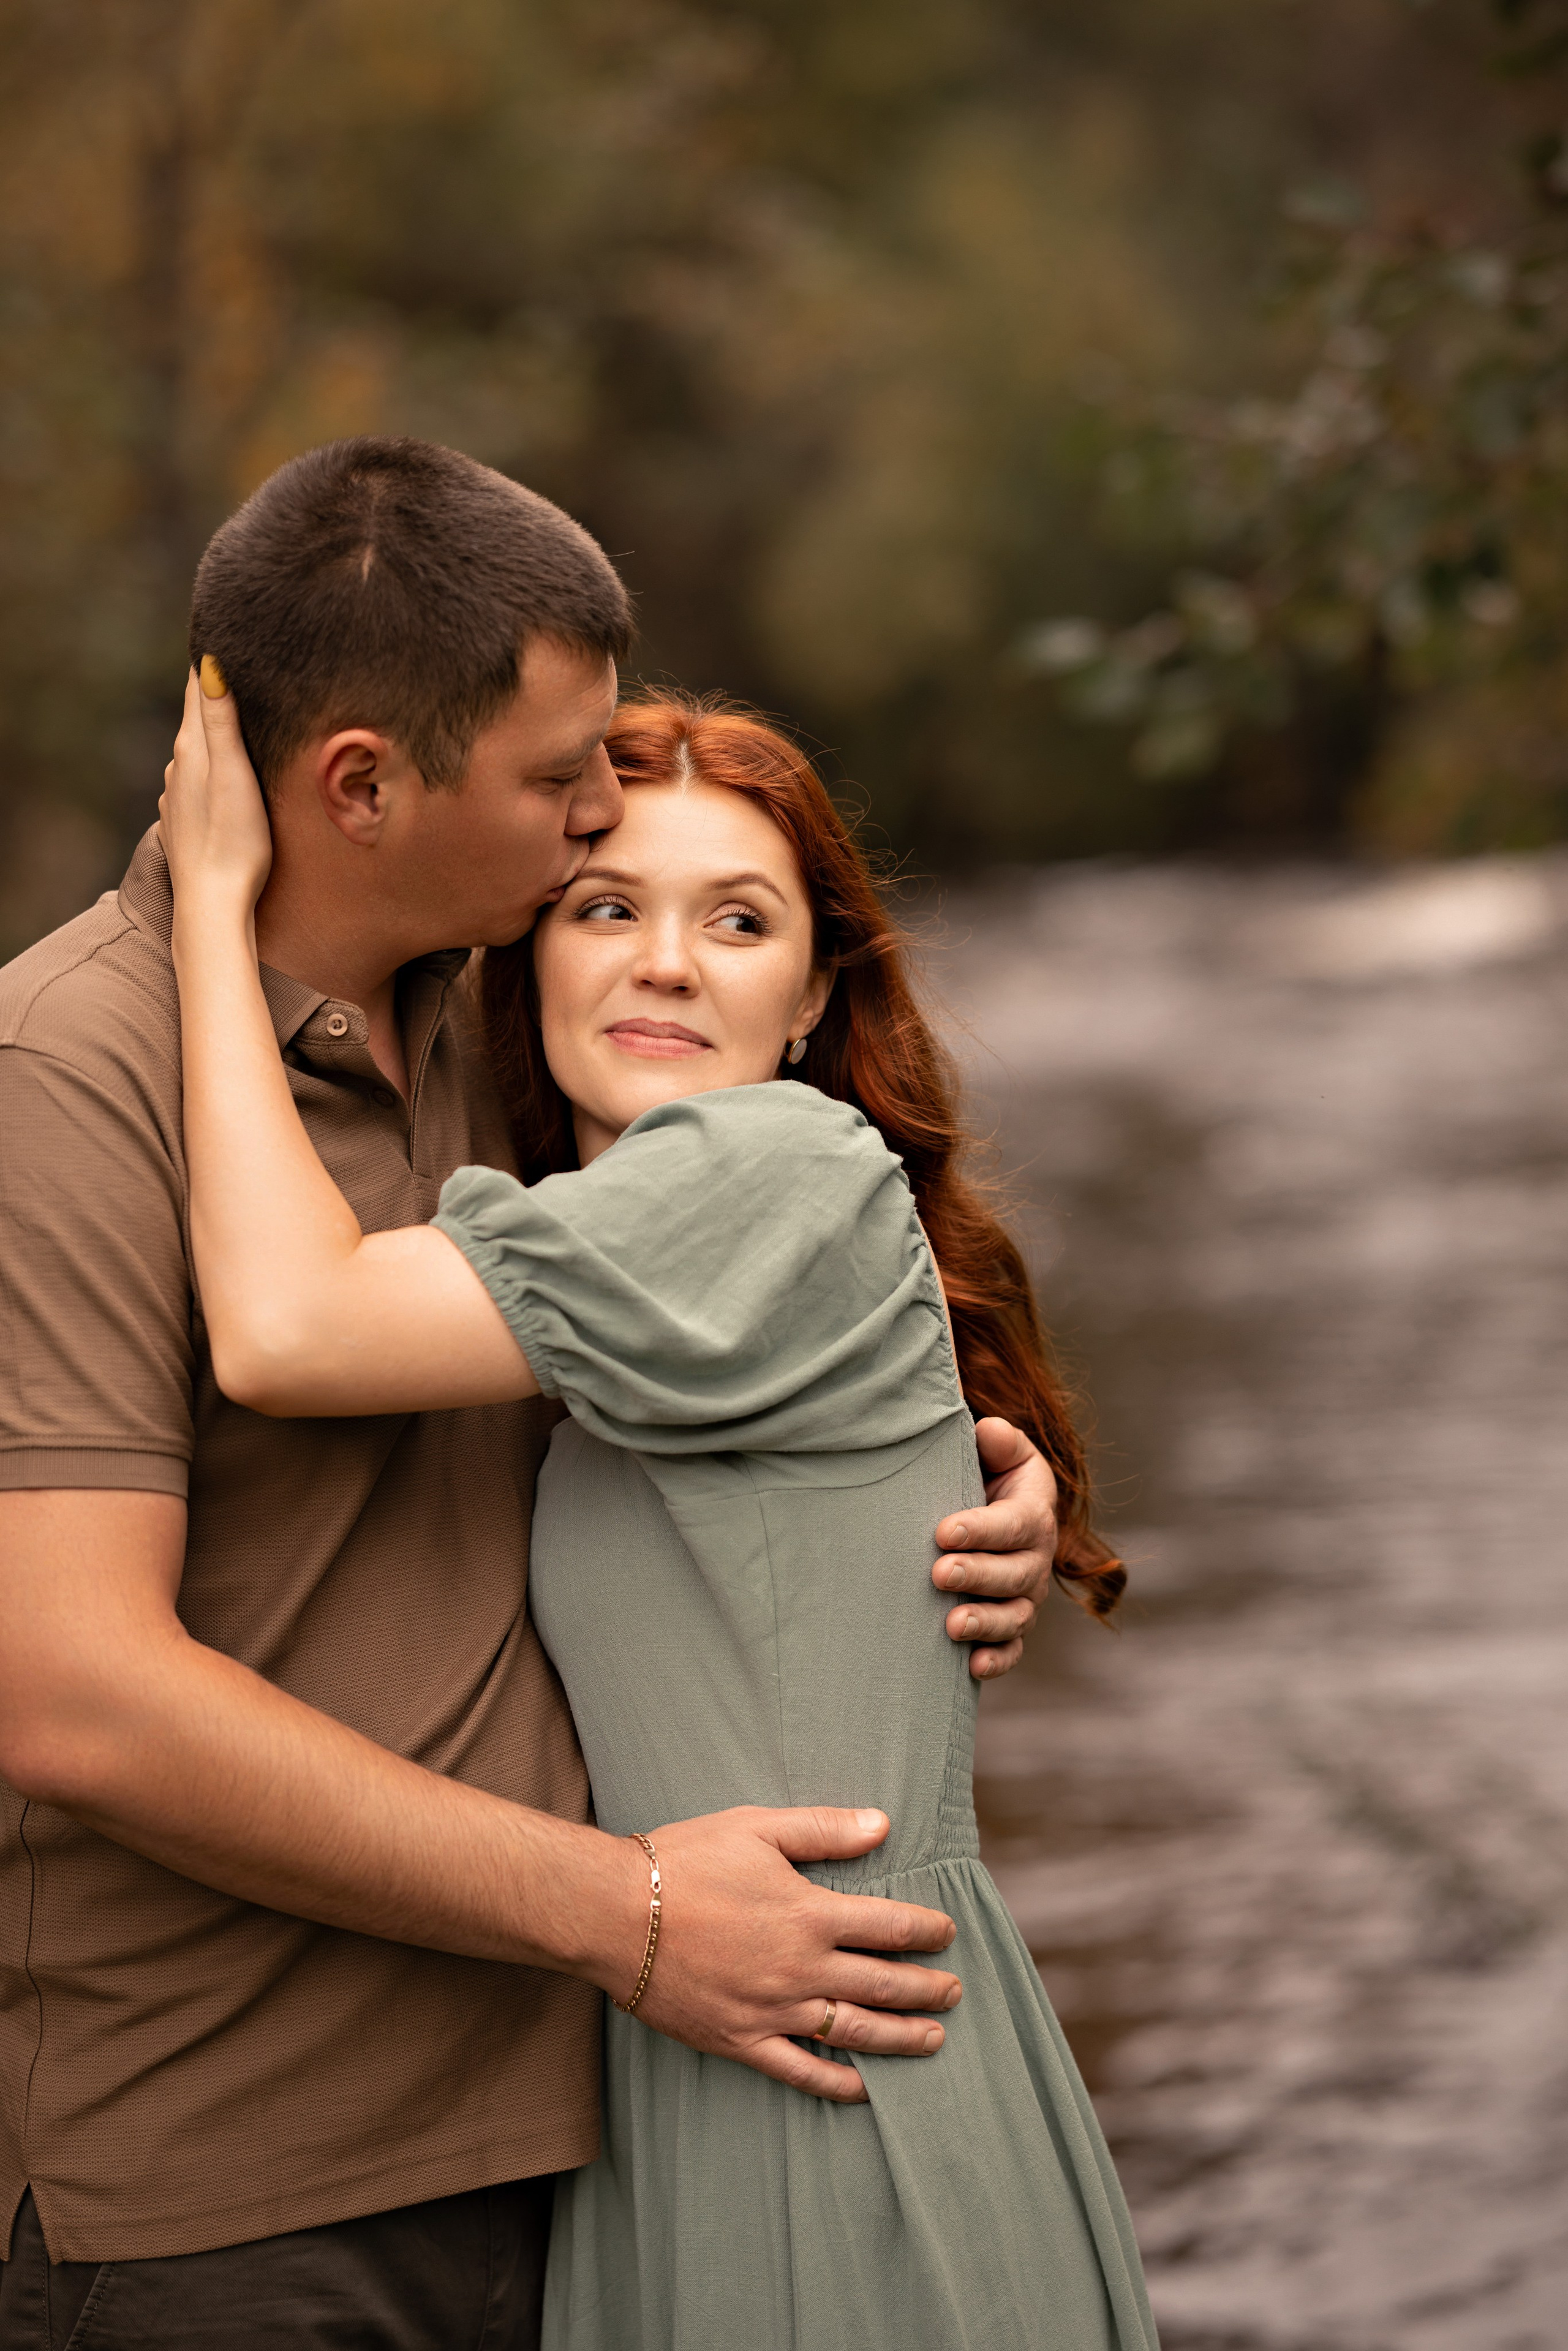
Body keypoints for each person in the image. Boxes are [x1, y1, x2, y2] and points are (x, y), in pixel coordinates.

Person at [0, 439, 1063, 2351]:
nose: (597, 825)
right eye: (564, 786)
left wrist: (966, 1481)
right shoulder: (68, 1079)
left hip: (590, 2130)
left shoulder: (512, 1032)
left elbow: (762, 1330)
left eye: (730, 918)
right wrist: (626, 1912)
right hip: (242, 2196)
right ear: (362, 788)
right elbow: (71, 1693)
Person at [157, 663, 1157, 2350]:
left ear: (814, 993)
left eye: (738, 921)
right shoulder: (609, 1239)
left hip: (827, 2081)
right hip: (706, 2042)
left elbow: (287, 1329)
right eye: (607, 905)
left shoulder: (777, 1171)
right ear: (529, 947)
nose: (668, 963)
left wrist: (208, 910)